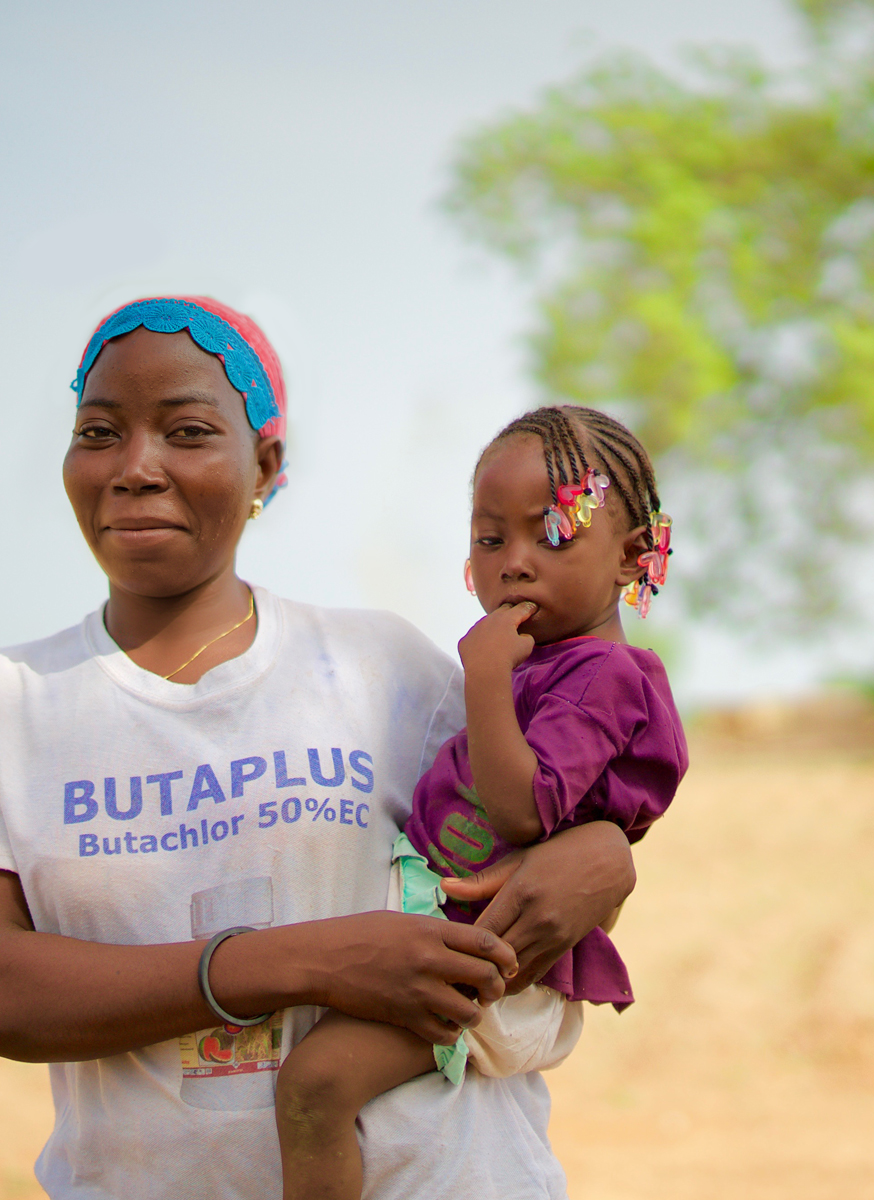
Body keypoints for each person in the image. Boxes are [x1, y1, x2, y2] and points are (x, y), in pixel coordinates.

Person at [0, 296, 637, 1200]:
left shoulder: (385, 666)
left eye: (186, 431)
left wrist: (603, 858)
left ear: (265, 463)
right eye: (99, 432)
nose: (137, 467)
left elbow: (550, 810)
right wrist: (304, 962)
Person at [275, 406, 688, 1200]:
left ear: (633, 555)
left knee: (315, 1087)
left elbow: (523, 811)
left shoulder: (604, 676)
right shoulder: (546, 668)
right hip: (463, 949)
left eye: (553, 533)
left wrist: (486, 679)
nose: (516, 563)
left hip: (498, 971)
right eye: (491, 539)